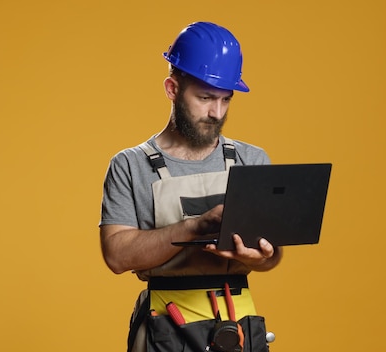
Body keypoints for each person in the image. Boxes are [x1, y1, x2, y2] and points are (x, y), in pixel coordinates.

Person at [99, 22, 283, 352]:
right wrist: (196, 225)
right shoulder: (130, 165)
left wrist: (259, 256)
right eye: (205, 98)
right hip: (165, 328)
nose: (216, 112)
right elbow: (116, 255)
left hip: (238, 327)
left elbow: (271, 257)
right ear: (172, 88)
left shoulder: (251, 160)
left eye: (226, 100)